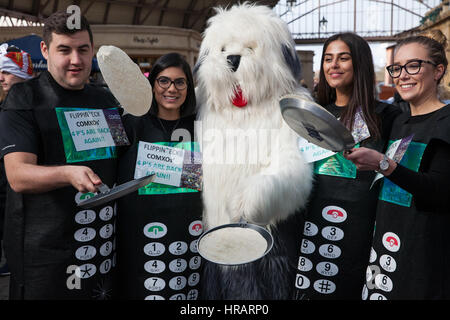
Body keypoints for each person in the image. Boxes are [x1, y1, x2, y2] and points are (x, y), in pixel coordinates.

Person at [0, 12, 126, 299]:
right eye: (64, 50)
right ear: (45, 50)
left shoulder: (105, 100)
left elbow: (119, 157)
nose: (75, 60)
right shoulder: (24, 98)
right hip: (45, 260)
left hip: (100, 251)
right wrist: (67, 173)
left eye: (83, 49)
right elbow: (18, 175)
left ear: (92, 50)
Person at [293, 32, 400, 300]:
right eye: (328, 59)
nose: (333, 65)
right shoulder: (313, 113)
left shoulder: (387, 116)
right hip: (312, 225)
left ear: (360, 64)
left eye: (343, 58)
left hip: (361, 229)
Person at [344, 31, 450, 300]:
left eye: (414, 65)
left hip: (424, 259)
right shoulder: (399, 121)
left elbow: (439, 190)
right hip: (385, 250)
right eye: (396, 68)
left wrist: (383, 164)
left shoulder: (446, 121)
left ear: (438, 71)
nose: (402, 75)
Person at [116, 53, 202, 300]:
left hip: (188, 234)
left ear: (188, 87)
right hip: (140, 238)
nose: (171, 89)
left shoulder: (201, 126)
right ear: (152, 84)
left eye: (180, 82)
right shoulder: (129, 122)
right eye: (163, 81)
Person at [0, 44, 34, 277]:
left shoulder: (34, 107)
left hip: (21, 192)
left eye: (7, 72)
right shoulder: (5, 106)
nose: (1, 77)